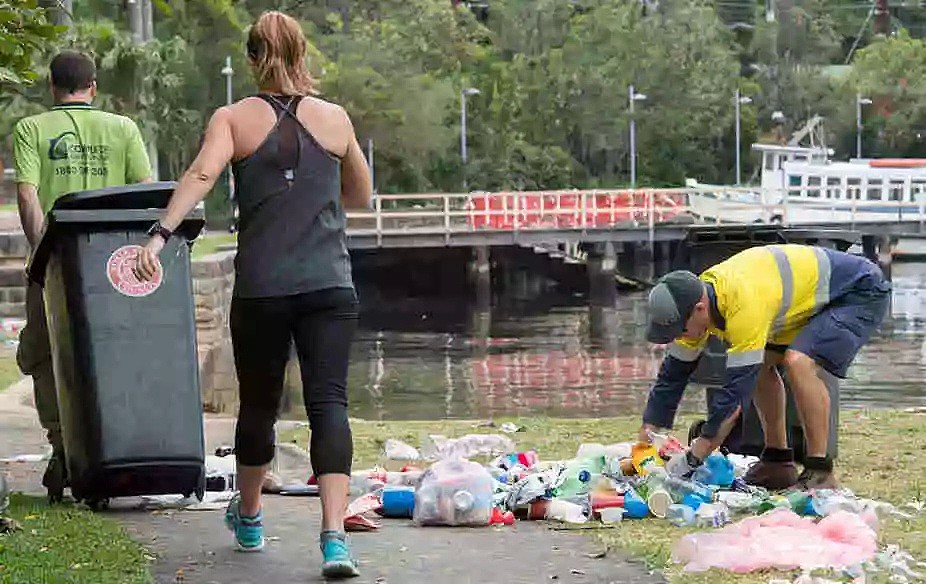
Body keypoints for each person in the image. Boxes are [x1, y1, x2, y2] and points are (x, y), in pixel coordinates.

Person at [133, 10, 372, 579]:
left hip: (264, 288)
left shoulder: (233, 119)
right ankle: (335, 539)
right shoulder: (335, 118)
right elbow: (359, 194)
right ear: (302, 53)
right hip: (329, 285)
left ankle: (250, 516)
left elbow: (199, 176)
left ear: (250, 59)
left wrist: (160, 233)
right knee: (329, 404)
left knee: (260, 404)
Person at [12, 50, 152, 502]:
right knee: (115, 355)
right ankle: (113, 447)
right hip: (112, 269)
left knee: (43, 356)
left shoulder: (32, 129)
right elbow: (143, 198)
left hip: (55, 263)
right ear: (93, 87)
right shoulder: (123, 129)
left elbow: (29, 197)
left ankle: (63, 450)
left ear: (51, 86)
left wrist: (41, 255)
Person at [637, 243, 891, 490]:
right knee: (759, 366)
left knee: (798, 361)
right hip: (807, 301)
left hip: (858, 291)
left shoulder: (741, 305)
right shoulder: (697, 301)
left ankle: (820, 471)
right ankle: (778, 462)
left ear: (699, 309)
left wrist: (693, 459)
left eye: (679, 329)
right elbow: (672, 376)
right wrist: (646, 438)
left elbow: (734, 398)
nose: (679, 337)